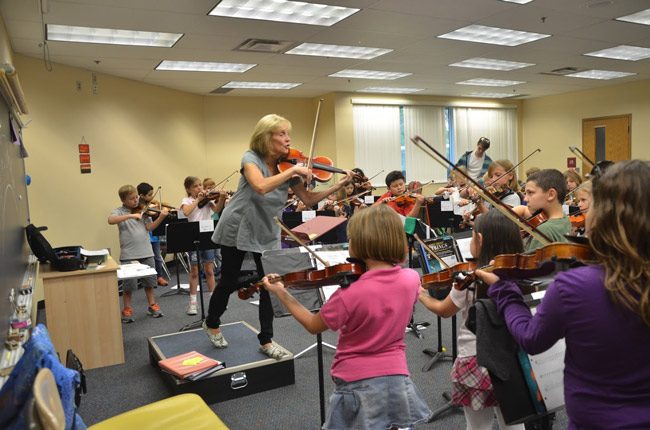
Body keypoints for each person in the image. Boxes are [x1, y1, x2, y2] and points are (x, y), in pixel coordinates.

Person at [478, 160, 650, 429]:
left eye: (592, 205)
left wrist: (503, 290)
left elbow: (531, 338)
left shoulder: (575, 286)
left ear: (606, 215)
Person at [263, 204, 431, 429]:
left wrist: (282, 293)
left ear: (361, 244)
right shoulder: (411, 278)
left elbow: (314, 325)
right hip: (397, 376)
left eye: (350, 238)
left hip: (355, 382)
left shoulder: (348, 295)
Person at [203, 113, 353, 359]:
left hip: (266, 228)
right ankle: (212, 322)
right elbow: (260, 186)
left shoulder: (289, 167)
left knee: (271, 283)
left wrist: (338, 186)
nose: (288, 139)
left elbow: (308, 199)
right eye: (282, 133)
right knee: (228, 279)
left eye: (288, 134)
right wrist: (293, 169)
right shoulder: (251, 158)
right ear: (266, 137)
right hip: (239, 223)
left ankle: (266, 340)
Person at [419, 210, 524, 430]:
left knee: (477, 425)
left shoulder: (472, 280)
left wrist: (421, 295)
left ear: (480, 240)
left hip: (476, 360)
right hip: (511, 359)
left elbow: (443, 310)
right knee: (513, 422)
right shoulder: (520, 275)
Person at [108, 185, 168, 321]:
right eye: (132, 199)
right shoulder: (119, 211)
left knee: (149, 282)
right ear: (123, 200)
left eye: (136, 197)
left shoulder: (143, 210)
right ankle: (127, 308)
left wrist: (161, 218)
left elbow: (149, 227)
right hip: (129, 254)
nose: (136, 201)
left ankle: (152, 305)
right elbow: (110, 220)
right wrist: (130, 215)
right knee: (129, 285)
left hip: (147, 251)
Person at [180, 176, 225, 315]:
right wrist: (198, 200)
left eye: (200, 185)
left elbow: (217, 210)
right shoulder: (186, 201)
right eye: (195, 186)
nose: (200, 188)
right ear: (188, 189)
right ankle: (193, 303)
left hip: (207, 235)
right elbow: (186, 212)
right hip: (193, 237)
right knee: (194, 272)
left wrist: (222, 198)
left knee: (210, 271)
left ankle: (214, 302)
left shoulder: (207, 200)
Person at [511, 169, 570, 251]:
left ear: (551, 194)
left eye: (530, 193)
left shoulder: (544, 230)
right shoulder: (564, 218)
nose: (525, 199)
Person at [136, 182, 168, 287]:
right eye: (149, 195)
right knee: (145, 259)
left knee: (157, 257)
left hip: (154, 235)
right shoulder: (137, 206)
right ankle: (147, 279)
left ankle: (159, 276)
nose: (151, 197)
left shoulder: (151, 204)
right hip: (143, 236)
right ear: (141, 196)